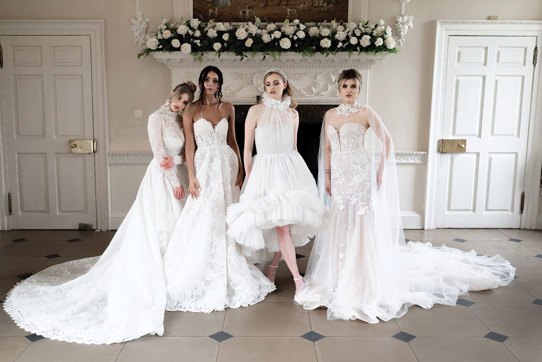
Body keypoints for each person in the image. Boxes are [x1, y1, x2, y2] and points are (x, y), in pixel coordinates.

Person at [294, 69, 515, 322]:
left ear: (359, 89)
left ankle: (362, 275)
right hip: (341, 176)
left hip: (360, 173)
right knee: (340, 219)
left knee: (361, 219)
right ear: (338, 88)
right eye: (345, 85)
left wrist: (379, 171)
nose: (349, 90)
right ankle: (337, 273)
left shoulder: (366, 113)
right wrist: (329, 175)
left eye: (353, 86)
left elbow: (387, 140)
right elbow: (329, 148)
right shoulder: (329, 115)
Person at [3, 83, 196, 343]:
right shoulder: (155, 118)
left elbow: (183, 153)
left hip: (180, 174)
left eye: (185, 102)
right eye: (180, 98)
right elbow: (159, 154)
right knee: (162, 225)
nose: (181, 104)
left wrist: (180, 167)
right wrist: (173, 181)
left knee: (182, 226)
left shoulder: (179, 119)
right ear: (172, 93)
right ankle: (158, 277)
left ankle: (178, 276)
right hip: (162, 179)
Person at [162, 66, 275, 312]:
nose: (210, 83)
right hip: (204, 166)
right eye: (207, 79)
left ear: (219, 83)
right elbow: (189, 146)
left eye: (215, 80)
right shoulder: (191, 109)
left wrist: (242, 169)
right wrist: (191, 176)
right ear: (202, 81)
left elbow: (233, 140)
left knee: (228, 213)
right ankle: (202, 263)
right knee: (204, 212)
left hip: (227, 165)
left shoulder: (228, 108)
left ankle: (231, 260)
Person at [227, 69, 326, 295]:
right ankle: (296, 278)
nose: (271, 87)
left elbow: (294, 146)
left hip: (290, 170)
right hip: (264, 170)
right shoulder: (255, 111)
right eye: (268, 84)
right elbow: (247, 148)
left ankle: (276, 269)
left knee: (285, 227)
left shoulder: (293, 114)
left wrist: (297, 174)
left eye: (276, 83)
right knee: (279, 227)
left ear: (285, 84)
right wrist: (250, 176)